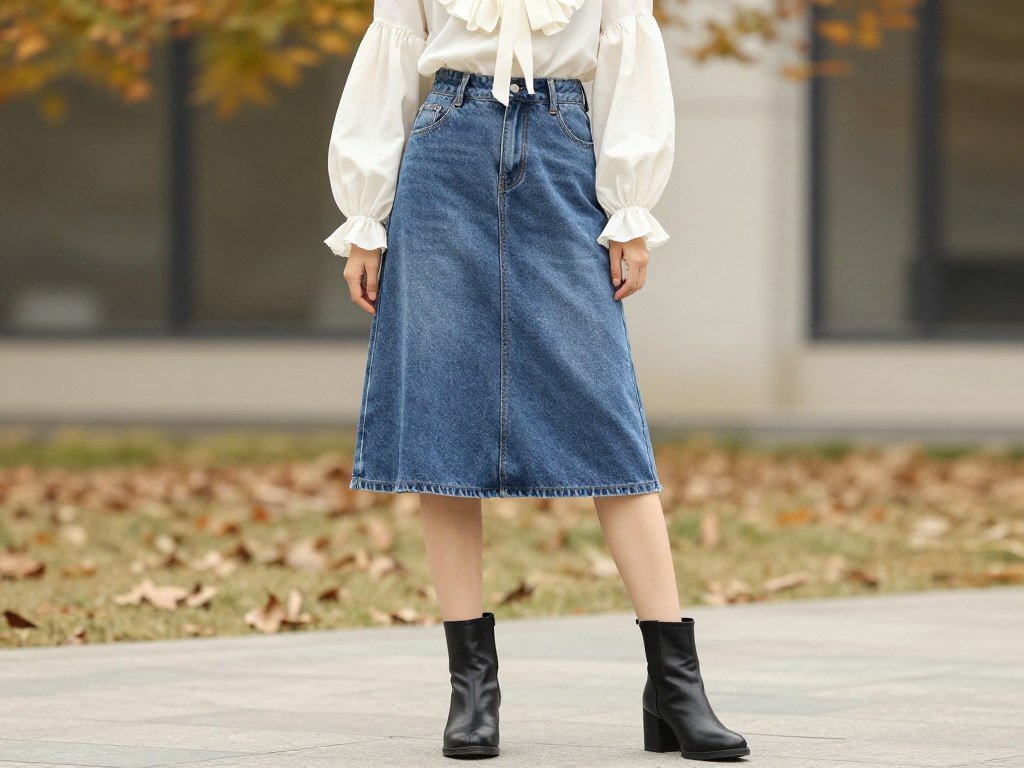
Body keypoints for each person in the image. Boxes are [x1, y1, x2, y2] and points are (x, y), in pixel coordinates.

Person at [324, 0, 749, 760]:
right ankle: (472, 691)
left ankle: (675, 685)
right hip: (445, 146)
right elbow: (391, 57)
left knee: (607, 419)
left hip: (564, 145)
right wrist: (365, 219)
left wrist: (630, 209)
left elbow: (627, 57)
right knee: (442, 413)